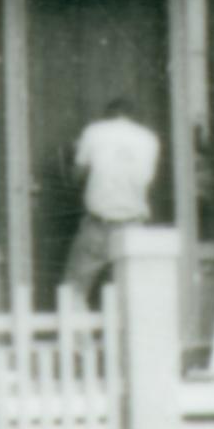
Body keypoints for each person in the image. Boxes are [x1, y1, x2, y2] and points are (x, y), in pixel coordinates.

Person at [62, 97, 163, 313]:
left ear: (108, 115)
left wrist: (74, 154)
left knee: (73, 289)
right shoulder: (149, 139)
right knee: (134, 291)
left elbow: (77, 176)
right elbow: (145, 181)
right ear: (133, 117)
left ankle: (83, 344)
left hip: (99, 224)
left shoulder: (94, 132)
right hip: (133, 225)